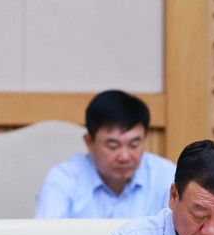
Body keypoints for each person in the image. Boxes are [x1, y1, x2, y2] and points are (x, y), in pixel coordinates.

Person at [35, 90, 175, 218]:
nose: (124, 157)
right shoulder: (64, 178)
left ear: (145, 138)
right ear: (89, 142)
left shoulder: (165, 176)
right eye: (113, 146)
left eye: (134, 145)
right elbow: (46, 234)